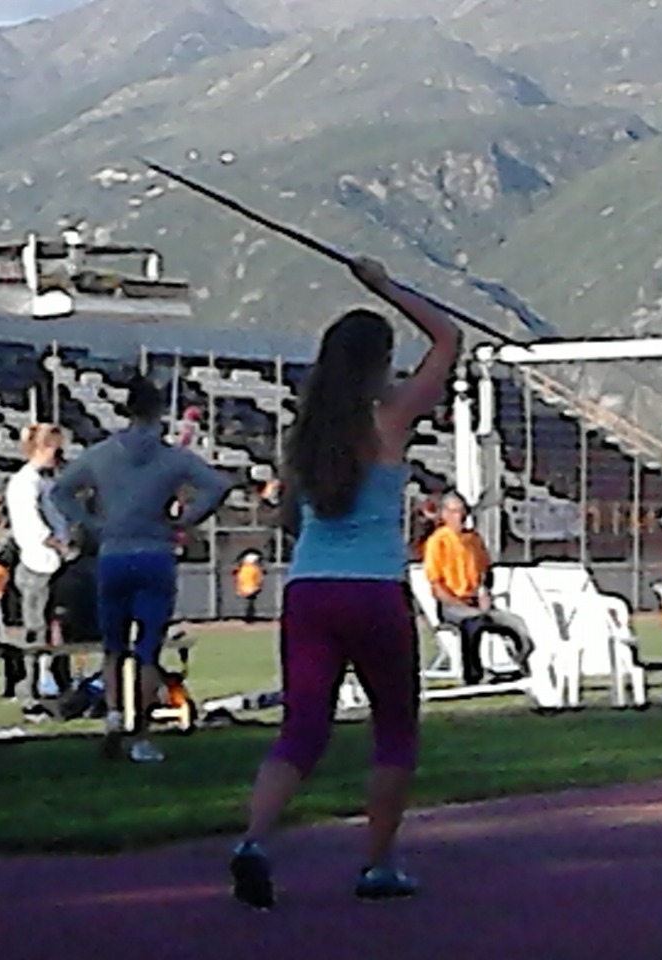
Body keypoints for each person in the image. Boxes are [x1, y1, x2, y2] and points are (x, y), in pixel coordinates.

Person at [227, 255, 460, 911]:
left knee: (302, 728)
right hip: (374, 590)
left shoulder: (305, 437)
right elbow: (448, 338)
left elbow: (288, 517)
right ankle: (377, 864)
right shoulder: (390, 420)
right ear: (378, 365)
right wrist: (384, 286)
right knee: (394, 729)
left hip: (310, 590)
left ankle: (253, 840)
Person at [52, 377, 230, 763]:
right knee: (148, 648)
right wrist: (186, 520)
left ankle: (114, 717)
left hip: (113, 553)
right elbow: (217, 486)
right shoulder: (172, 458)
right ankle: (141, 735)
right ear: (158, 411)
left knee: (113, 647)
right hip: (155, 553)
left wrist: (91, 523)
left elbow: (60, 491)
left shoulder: (102, 454)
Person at [422, 492, 534, 685]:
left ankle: (523, 665)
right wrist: (461, 605)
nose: (460, 516)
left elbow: (484, 573)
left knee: (516, 624)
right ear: (444, 514)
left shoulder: (474, 539)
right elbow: (437, 585)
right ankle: (474, 675)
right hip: (452, 604)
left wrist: (484, 592)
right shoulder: (437, 542)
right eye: (455, 512)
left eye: (462, 511)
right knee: (473, 621)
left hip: (477, 601)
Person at [3, 423, 71, 719]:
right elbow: (33, 526)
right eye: (56, 449)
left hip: (55, 564)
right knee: (35, 631)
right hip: (37, 564)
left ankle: (62, 688)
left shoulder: (47, 482)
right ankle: (29, 694)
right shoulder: (24, 483)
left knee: (62, 628)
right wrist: (59, 544)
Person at [233, 550, 265, 623]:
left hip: (246, 588)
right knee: (249, 604)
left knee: (248, 604)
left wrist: (239, 588)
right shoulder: (253, 569)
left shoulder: (243, 568)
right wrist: (258, 586)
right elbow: (259, 578)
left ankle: (248, 617)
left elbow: (239, 579)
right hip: (251, 588)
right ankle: (249, 617)